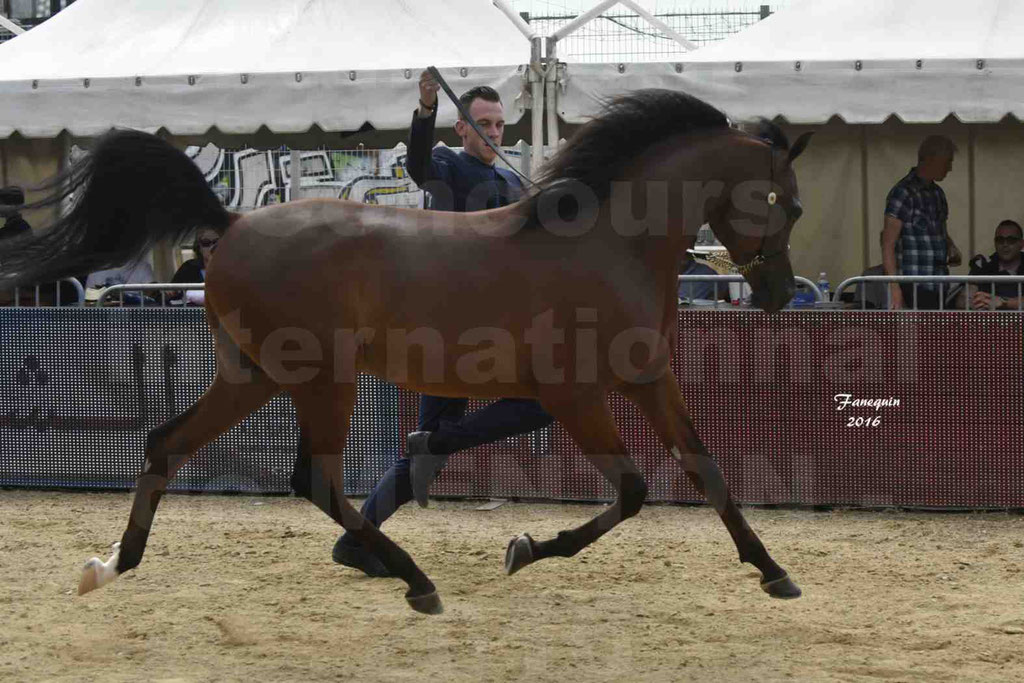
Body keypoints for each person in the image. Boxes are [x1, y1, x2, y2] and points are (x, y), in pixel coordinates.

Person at [330, 71, 554, 577]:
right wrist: (425, 107)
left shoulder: (514, 181)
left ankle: (358, 537)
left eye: (500, 124)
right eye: (485, 124)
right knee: (543, 399)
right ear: (462, 129)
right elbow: (414, 163)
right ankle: (434, 447)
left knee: (433, 442)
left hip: (492, 325)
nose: (495, 132)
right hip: (454, 325)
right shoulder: (447, 166)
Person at [882, 135, 962, 310]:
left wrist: (950, 245)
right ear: (932, 159)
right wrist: (894, 288)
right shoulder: (903, 193)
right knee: (916, 336)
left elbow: (936, 229)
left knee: (936, 336)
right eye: (948, 161)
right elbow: (888, 243)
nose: (950, 168)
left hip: (939, 282)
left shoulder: (938, 194)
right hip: (913, 283)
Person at [965, 219, 1024, 310]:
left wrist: (1003, 302)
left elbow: (1000, 302)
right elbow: (963, 298)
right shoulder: (983, 264)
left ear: (1021, 244)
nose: (1005, 244)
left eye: (1011, 240)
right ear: (995, 243)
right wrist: (974, 303)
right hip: (989, 322)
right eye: (1000, 240)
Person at [169, 228, 219, 305]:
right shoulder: (188, 268)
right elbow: (173, 294)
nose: (212, 247)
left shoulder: (232, 267)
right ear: (199, 247)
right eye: (206, 243)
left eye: (216, 243)